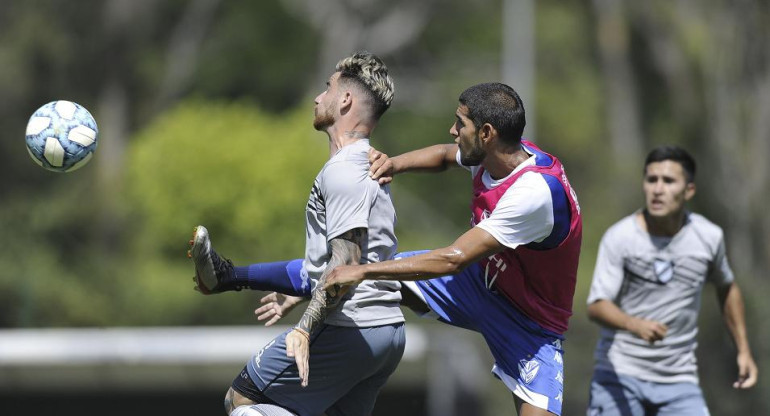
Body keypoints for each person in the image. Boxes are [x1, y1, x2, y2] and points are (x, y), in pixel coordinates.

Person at [196, 82, 582, 416]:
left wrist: (362, 272)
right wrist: (394, 164)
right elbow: (447, 156)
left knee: (363, 266)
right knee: (360, 264)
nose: (451, 129)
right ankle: (228, 276)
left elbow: (454, 258)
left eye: (459, 123)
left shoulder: (533, 194)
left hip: (530, 324)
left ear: (486, 133)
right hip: (480, 283)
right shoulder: (499, 153)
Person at [189, 51, 406, 416]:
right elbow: (334, 263)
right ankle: (225, 276)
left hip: (351, 327)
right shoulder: (369, 163)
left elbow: (347, 262)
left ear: (346, 100)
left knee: (242, 401)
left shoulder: (344, 170)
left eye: (327, 88)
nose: (318, 98)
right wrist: (252, 282)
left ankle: (226, 279)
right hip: (387, 333)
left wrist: (304, 329)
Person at [584, 145, 758, 416]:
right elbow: (596, 305)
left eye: (668, 181)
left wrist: (743, 350)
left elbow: (727, 286)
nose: (657, 189)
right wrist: (634, 324)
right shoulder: (620, 237)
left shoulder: (708, 237)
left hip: (679, 379)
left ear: (689, 190)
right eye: (651, 180)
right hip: (620, 374)